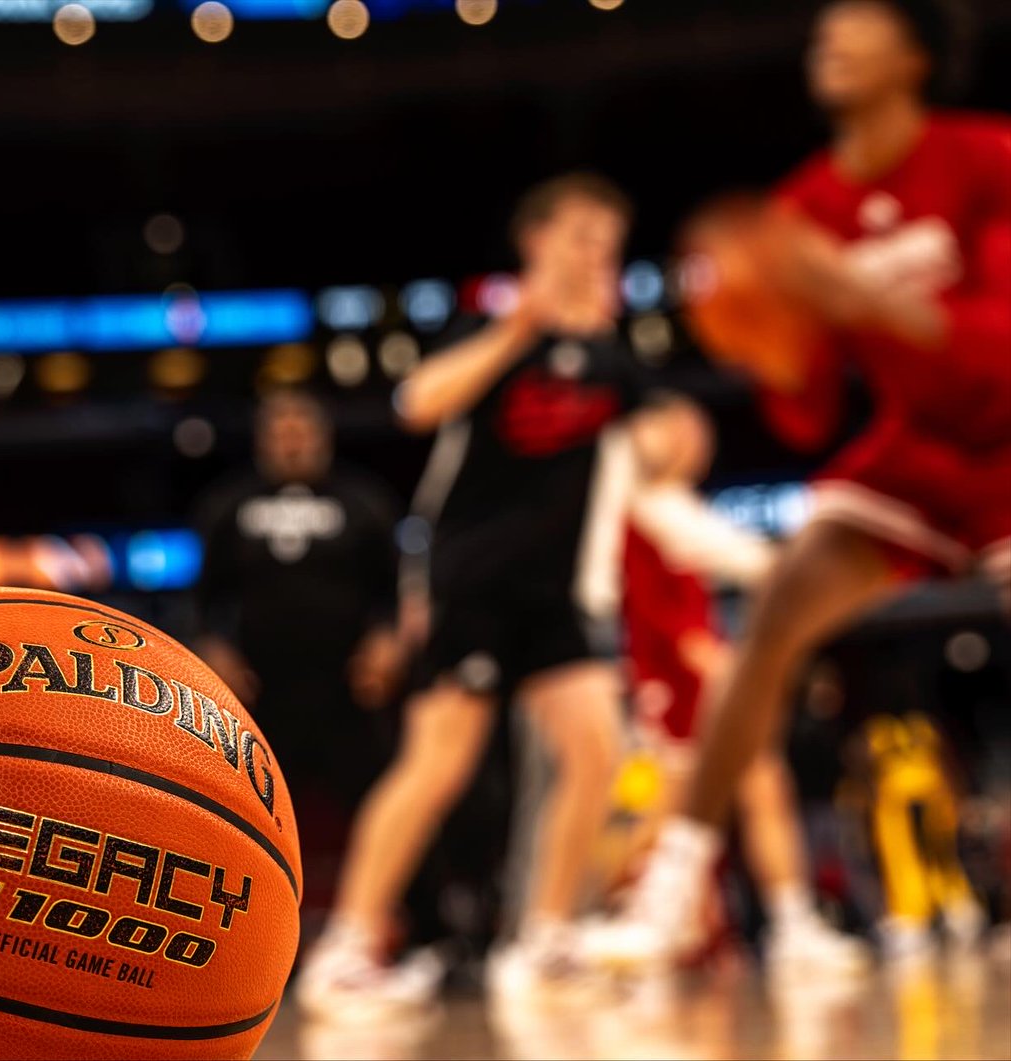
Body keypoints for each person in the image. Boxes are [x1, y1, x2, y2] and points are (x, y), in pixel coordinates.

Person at [589, 0, 1011, 967]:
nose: (828, 44)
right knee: (777, 610)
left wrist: (852, 295)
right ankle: (673, 885)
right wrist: (766, 341)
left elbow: (998, 351)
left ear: (916, 57)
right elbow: (811, 418)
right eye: (821, 34)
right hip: (920, 454)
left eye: (854, 30)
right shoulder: (805, 208)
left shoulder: (986, 157)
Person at [298, 172, 645, 1015]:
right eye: (578, 233)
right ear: (535, 240)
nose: (593, 251)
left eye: (607, 239)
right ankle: (346, 948)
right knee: (439, 761)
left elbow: (655, 444)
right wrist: (520, 327)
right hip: (472, 583)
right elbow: (418, 402)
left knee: (598, 749)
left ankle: (544, 938)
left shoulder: (612, 355)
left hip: (557, 593)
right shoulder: (489, 328)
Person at [576, 399, 868, 977]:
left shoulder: (679, 509)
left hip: (705, 671)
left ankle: (791, 923)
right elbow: (671, 616)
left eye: (696, 431)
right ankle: (612, 914)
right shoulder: (633, 505)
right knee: (663, 813)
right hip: (671, 682)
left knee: (763, 790)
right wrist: (732, 672)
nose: (690, 441)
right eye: (675, 428)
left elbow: (751, 562)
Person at [192, 388, 407, 906]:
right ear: (264, 441)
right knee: (247, 822)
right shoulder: (228, 505)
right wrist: (215, 653)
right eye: (281, 433)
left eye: (301, 431)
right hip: (262, 699)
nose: (292, 443)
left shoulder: (365, 501)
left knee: (390, 804)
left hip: (350, 692)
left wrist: (390, 642)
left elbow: (398, 591)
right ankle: (246, 933)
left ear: (322, 436)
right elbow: (201, 599)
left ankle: (425, 931)